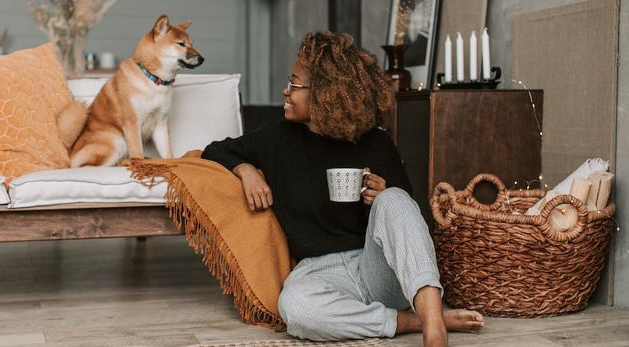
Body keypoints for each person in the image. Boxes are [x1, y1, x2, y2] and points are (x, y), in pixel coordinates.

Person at [202, 31, 484, 346]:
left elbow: (409, 216)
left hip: (376, 267)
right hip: (319, 273)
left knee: (394, 199)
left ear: (326, 93)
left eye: (295, 84)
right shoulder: (276, 139)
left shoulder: (375, 142)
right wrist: (245, 169)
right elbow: (213, 151)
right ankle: (408, 322)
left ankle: (434, 328)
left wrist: (381, 194)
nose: (286, 91)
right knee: (295, 307)